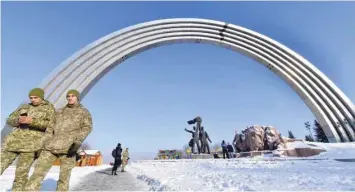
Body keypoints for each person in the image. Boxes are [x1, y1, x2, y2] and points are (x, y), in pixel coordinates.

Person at [23, 89, 93, 191]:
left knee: (63, 179)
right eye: (68, 96)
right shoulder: (59, 111)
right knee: (37, 174)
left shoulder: (83, 112)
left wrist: (77, 142)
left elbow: (87, 128)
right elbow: (50, 129)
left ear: (77, 97)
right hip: (50, 147)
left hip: (69, 149)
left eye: (73, 96)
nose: (70, 98)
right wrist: (42, 144)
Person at [0, 88, 55, 191]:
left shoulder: (49, 108)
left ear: (41, 97)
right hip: (12, 143)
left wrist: (32, 121)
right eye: (31, 98)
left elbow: (50, 125)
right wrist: (17, 120)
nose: (33, 100)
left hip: (31, 146)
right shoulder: (24, 107)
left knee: (21, 176)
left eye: (35, 97)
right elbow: (9, 119)